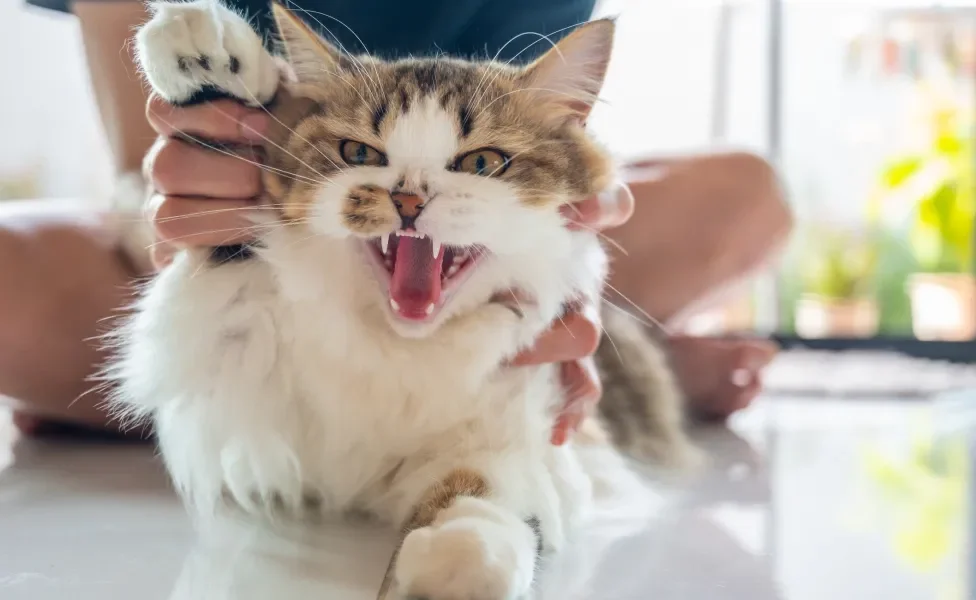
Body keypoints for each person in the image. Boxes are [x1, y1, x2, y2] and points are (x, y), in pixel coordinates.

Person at [4, 0, 791, 440]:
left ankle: (603, 362)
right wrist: (193, 209)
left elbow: (534, 145)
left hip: (454, 257)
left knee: (747, 194)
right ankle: (621, 370)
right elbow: (140, 177)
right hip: (245, 247)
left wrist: (556, 259)